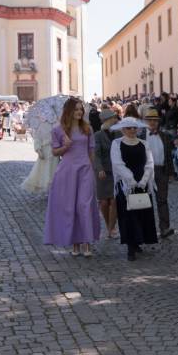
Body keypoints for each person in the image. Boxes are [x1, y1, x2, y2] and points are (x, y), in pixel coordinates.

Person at [43, 99, 101, 257]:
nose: (79, 112)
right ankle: (75, 244)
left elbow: (91, 150)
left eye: (80, 109)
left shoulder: (87, 128)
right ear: (68, 111)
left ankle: (87, 243)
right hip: (67, 171)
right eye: (76, 109)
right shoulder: (58, 130)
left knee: (85, 204)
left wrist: (92, 167)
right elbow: (55, 152)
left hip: (85, 170)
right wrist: (65, 146)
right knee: (71, 206)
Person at [110, 117, 158, 261]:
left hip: (142, 182)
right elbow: (117, 163)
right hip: (126, 184)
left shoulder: (144, 143)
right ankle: (131, 246)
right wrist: (130, 179)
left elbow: (149, 162)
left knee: (142, 212)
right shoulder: (116, 143)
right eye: (128, 128)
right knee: (128, 215)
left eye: (134, 128)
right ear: (123, 129)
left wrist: (144, 180)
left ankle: (139, 241)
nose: (132, 130)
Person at [144, 108, 175, 238]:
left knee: (162, 200)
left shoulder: (165, 136)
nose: (152, 123)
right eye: (150, 120)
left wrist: (171, 172)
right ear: (145, 121)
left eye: (155, 120)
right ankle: (147, 231)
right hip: (146, 172)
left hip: (161, 170)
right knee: (146, 202)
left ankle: (164, 228)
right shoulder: (141, 136)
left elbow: (168, 155)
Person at [93, 109, 120, 239]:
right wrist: (99, 169)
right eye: (113, 118)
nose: (116, 120)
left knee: (114, 201)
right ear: (107, 121)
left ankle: (111, 228)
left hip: (116, 171)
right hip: (102, 172)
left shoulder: (119, 133)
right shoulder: (97, 135)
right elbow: (96, 155)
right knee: (104, 202)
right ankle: (108, 224)